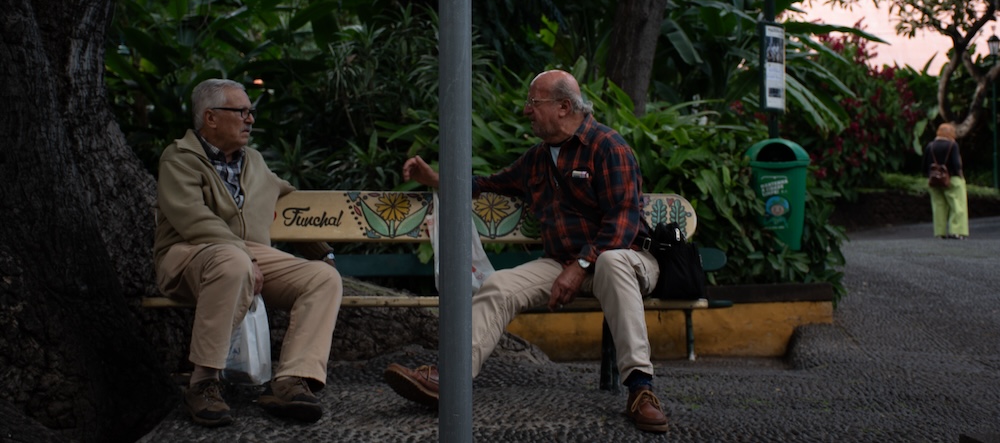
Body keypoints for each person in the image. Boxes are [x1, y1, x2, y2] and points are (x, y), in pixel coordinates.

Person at [383, 70, 669, 433]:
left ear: (564, 106)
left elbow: (623, 222)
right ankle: (449, 379)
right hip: (564, 264)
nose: (526, 111)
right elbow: (488, 184)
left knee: (611, 262)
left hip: (627, 259)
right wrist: (434, 179)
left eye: (534, 102)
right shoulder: (537, 159)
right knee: (500, 285)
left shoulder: (609, 147)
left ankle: (641, 389)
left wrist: (581, 265)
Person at [154, 79, 343, 427]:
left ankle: (290, 380)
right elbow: (193, 218)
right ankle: (203, 383)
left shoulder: (253, 161)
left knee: (323, 278)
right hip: (189, 254)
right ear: (210, 118)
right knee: (234, 261)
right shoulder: (179, 158)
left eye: (250, 112)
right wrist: (244, 255)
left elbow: (288, 198)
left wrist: (323, 251)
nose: (250, 119)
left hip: (248, 256)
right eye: (241, 111)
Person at [922, 122, 969, 239]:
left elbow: (924, 166)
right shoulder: (952, 145)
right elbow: (957, 164)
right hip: (952, 179)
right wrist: (961, 177)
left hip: (934, 180)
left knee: (938, 206)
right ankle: (956, 231)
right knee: (957, 205)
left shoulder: (930, 146)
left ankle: (939, 232)